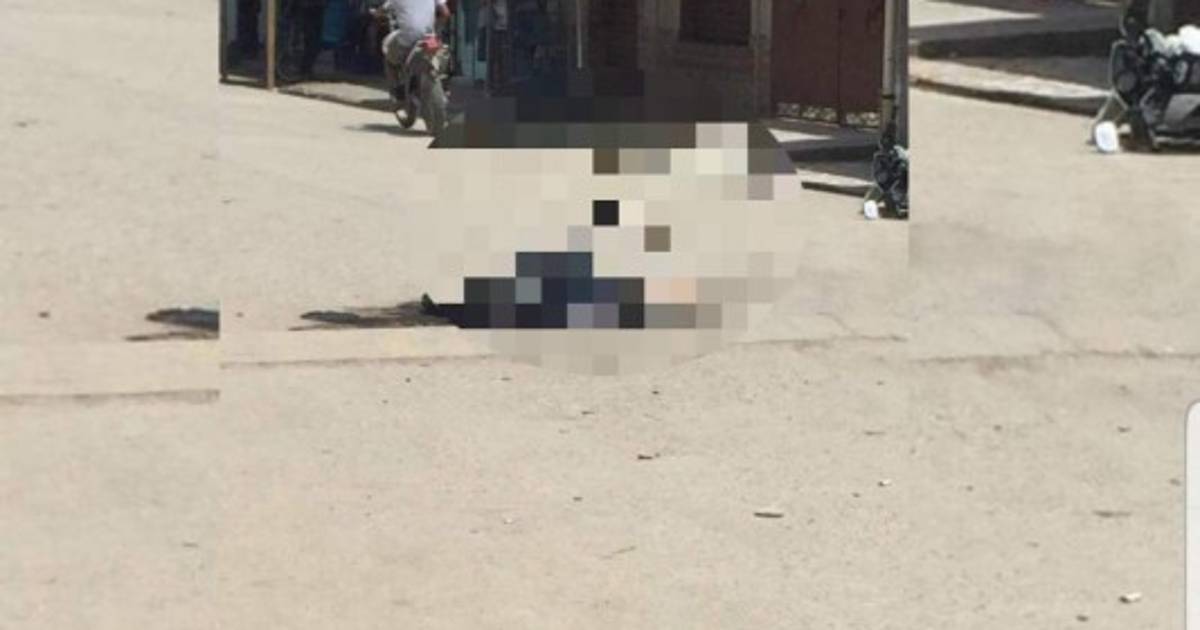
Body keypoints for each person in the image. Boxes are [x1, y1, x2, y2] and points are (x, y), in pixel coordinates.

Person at [378, 0, 450, 99]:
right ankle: (444, 85)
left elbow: (380, 12)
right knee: (440, 57)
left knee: (389, 59)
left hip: (407, 39)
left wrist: (376, 13)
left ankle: (397, 90)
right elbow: (445, 13)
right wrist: (437, 32)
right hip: (429, 39)